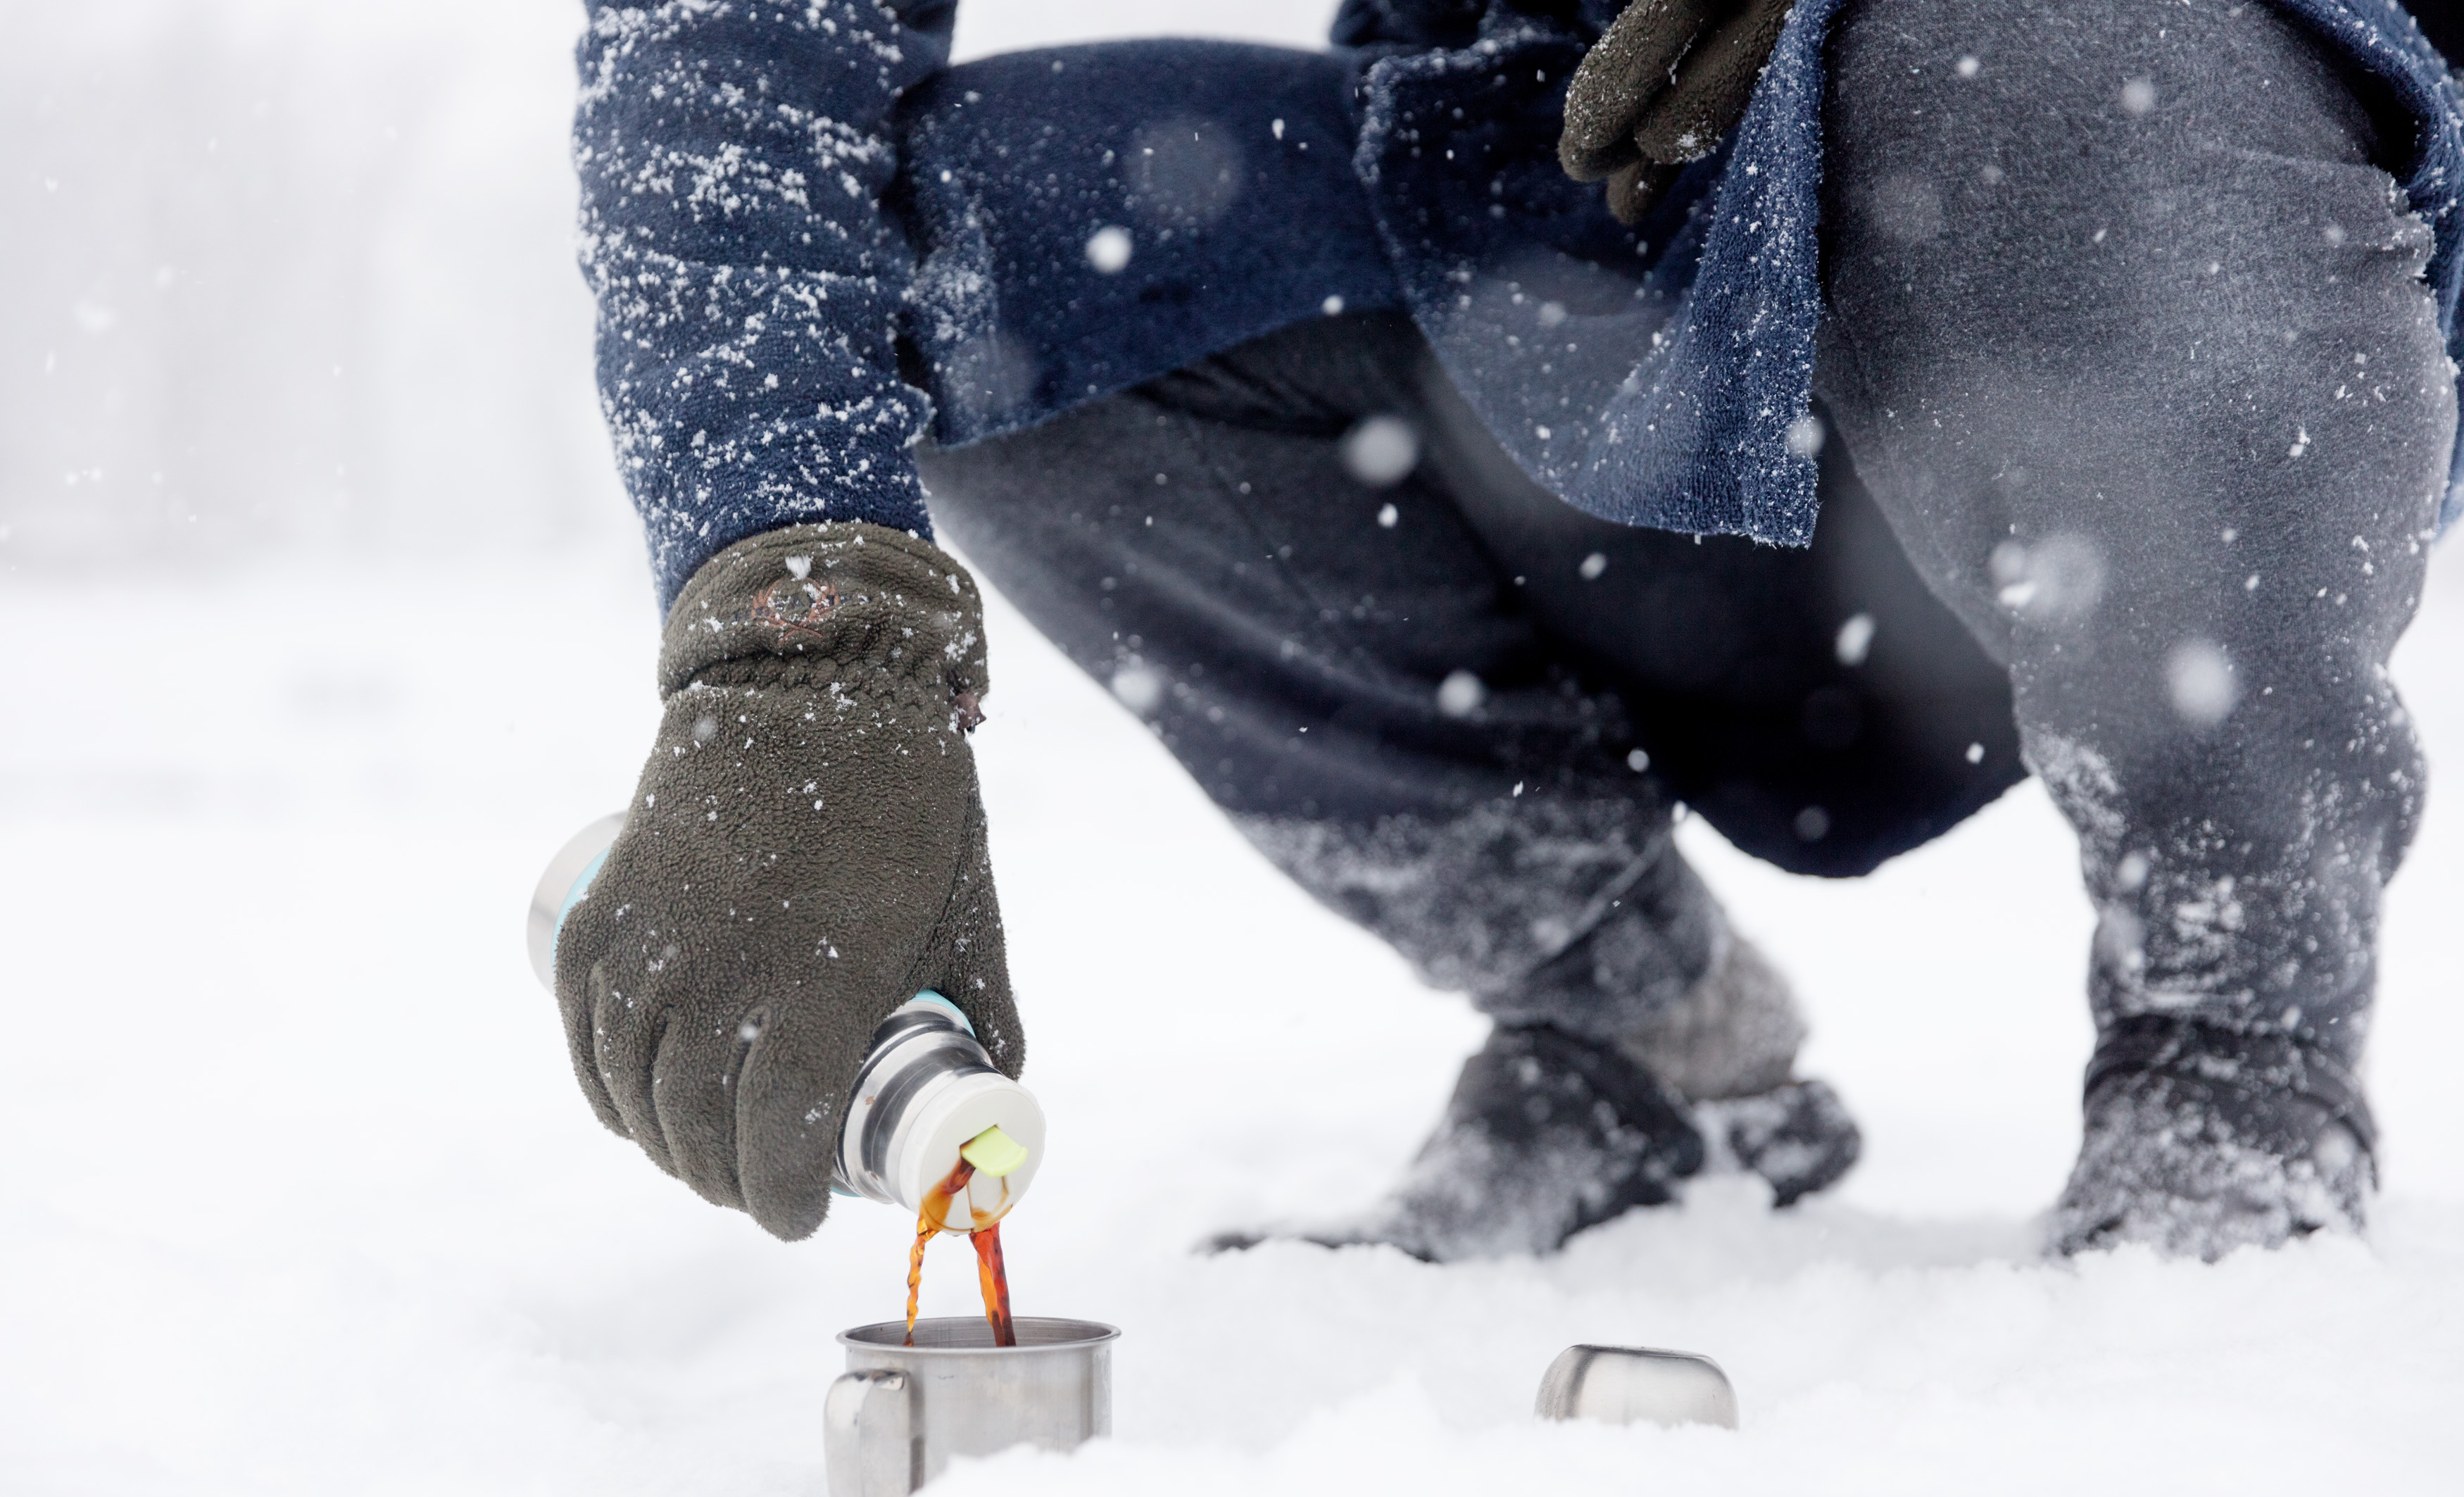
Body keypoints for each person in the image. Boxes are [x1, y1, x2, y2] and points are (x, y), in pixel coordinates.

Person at [556, 0, 2464, 1260]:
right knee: (968, 240)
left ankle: (2235, 1048)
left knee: (2040, 37)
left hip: (2126, 284)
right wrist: (791, 617)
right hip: (1579, 302)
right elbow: (732, 51)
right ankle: (1638, 1034)